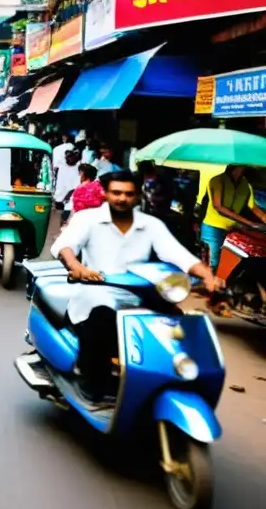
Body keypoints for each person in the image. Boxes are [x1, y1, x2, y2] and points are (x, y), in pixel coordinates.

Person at [50, 171, 222, 401]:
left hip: (141, 297)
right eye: (116, 193)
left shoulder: (151, 225)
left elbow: (180, 256)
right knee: (101, 323)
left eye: (129, 194)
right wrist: (76, 266)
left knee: (177, 327)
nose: (122, 198)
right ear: (105, 193)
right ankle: (91, 381)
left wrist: (208, 276)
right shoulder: (87, 219)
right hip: (96, 293)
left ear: (137, 195)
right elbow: (65, 245)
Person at [201, 164, 266, 271]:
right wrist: (250, 224)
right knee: (210, 265)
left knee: (219, 265)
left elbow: (254, 208)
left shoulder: (245, 185)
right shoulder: (217, 180)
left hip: (230, 228)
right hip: (213, 228)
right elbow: (219, 207)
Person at [54, 149, 81, 216]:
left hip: (70, 198)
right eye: (67, 157)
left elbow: (77, 185)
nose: (69, 159)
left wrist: (68, 195)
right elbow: (58, 181)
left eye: (71, 157)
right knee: (59, 217)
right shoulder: (61, 167)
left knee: (67, 216)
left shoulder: (78, 168)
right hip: (59, 196)